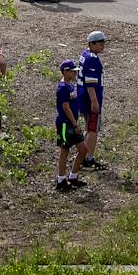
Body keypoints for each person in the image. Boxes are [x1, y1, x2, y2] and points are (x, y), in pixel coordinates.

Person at [53, 59, 87, 190]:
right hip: (65, 124)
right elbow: (65, 107)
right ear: (65, 72)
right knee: (65, 150)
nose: (74, 73)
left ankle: (73, 176)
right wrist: (74, 123)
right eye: (72, 71)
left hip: (72, 123)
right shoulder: (62, 88)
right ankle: (61, 180)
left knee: (83, 149)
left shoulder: (70, 85)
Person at [79, 29, 106, 169]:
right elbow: (90, 83)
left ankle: (82, 155)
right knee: (93, 129)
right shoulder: (92, 59)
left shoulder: (85, 54)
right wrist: (94, 101)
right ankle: (88, 159)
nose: (102, 46)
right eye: (100, 43)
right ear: (91, 43)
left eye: (103, 43)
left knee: (88, 128)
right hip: (90, 100)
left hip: (83, 98)